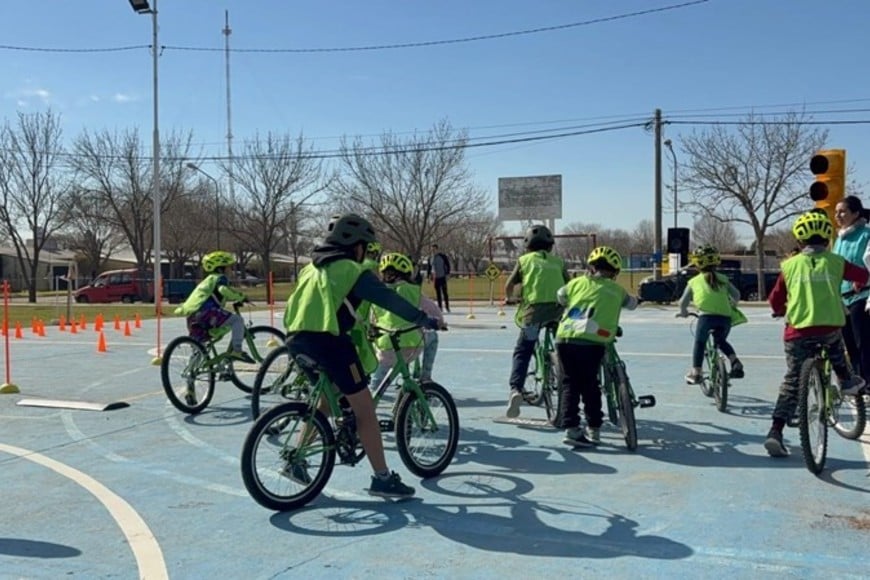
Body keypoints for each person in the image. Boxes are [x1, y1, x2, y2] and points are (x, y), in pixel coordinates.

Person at [282, 214, 441, 497]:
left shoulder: (312, 268)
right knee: (365, 410)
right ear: (355, 245)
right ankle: (382, 478)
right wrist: (424, 318)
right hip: (329, 343)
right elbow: (389, 299)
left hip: (296, 340)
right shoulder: (351, 269)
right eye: (365, 247)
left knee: (325, 402)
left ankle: (298, 457)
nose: (366, 252)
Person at [764, 211, 868, 457]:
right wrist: (858, 284)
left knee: (792, 381)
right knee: (838, 355)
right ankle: (846, 382)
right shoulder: (835, 261)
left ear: (799, 242)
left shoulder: (788, 266)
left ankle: (775, 431)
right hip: (829, 327)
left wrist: (780, 310)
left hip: (797, 330)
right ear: (827, 239)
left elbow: (775, 299)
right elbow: (863, 275)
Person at [554, 246, 639, 446]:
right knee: (590, 385)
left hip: (565, 338)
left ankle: (572, 429)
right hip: (593, 340)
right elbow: (632, 304)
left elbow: (560, 296)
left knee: (569, 384)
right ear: (615, 272)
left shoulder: (576, 283)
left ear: (591, 267)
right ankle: (594, 428)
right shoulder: (617, 290)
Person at [504, 224, 570, 418]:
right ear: (550, 246)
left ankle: (516, 389)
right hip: (557, 312)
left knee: (523, 350)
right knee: (564, 347)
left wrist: (510, 298)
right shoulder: (558, 262)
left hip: (533, 314)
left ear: (527, 246)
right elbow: (569, 285)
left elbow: (510, 285)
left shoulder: (524, 261)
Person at [370, 252, 445, 389]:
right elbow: (435, 312)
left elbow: (372, 320)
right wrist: (439, 322)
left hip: (385, 346)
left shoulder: (378, 293)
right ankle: (425, 377)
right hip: (411, 344)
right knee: (432, 337)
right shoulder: (412, 291)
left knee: (376, 383)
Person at [676, 244, 745, 384]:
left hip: (706, 317)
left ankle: (696, 372)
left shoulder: (694, 281)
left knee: (700, 343)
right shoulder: (723, 279)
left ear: (697, 263)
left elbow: (682, 302)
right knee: (720, 341)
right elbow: (737, 294)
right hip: (725, 318)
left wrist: (683, 312)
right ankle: (735, 361)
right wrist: (732, 304)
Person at [174, 250, 254, 363]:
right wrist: (241, 297)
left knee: (199, 346)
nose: (231, 270)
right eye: (229, 267)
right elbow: (223, 290)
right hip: (207, 312)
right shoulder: (220, 278)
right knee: (237, 320)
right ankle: (237, 351)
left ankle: (192, 371)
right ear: (221, 268)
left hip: (192, 316)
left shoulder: (206, 281)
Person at [832, 195, 870, 384]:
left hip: (862, 295)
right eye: (836, 211)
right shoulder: (839, 238)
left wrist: (863, 279)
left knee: (862, 340)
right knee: (848, 342)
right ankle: (857, 379)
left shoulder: (866, 234)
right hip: (842, 297)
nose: (837, 215)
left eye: (842, 211)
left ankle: (867, 380)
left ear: (855, 213)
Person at [427, 243, 451, 313]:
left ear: (437, 249)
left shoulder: (443, 256)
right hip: (435, 278)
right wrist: (428, 277)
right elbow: (429, 268)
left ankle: (447, 307)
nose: (433, 251)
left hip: (442, 277)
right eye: (432, 250)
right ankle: (440, 308)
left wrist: (448, 274)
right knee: (438, 293)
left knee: (445, 292)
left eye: (434, 249)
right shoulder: (430, 258)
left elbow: (448, 265)